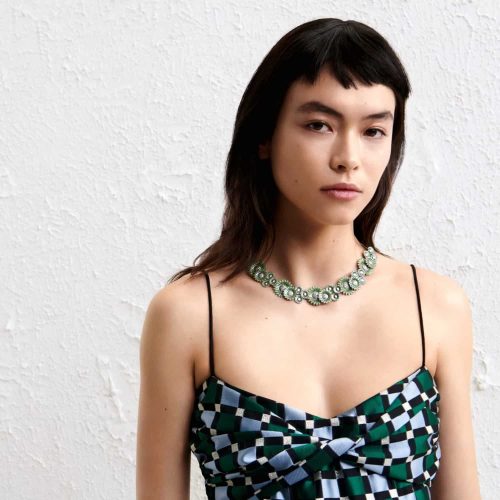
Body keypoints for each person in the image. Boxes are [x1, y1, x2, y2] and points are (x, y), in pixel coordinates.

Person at [136, 18, 481, 499]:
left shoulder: (437, 307)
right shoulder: (189, 314)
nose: (348, 157)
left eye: (374, 130)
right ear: (264, 136)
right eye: (319, 125)